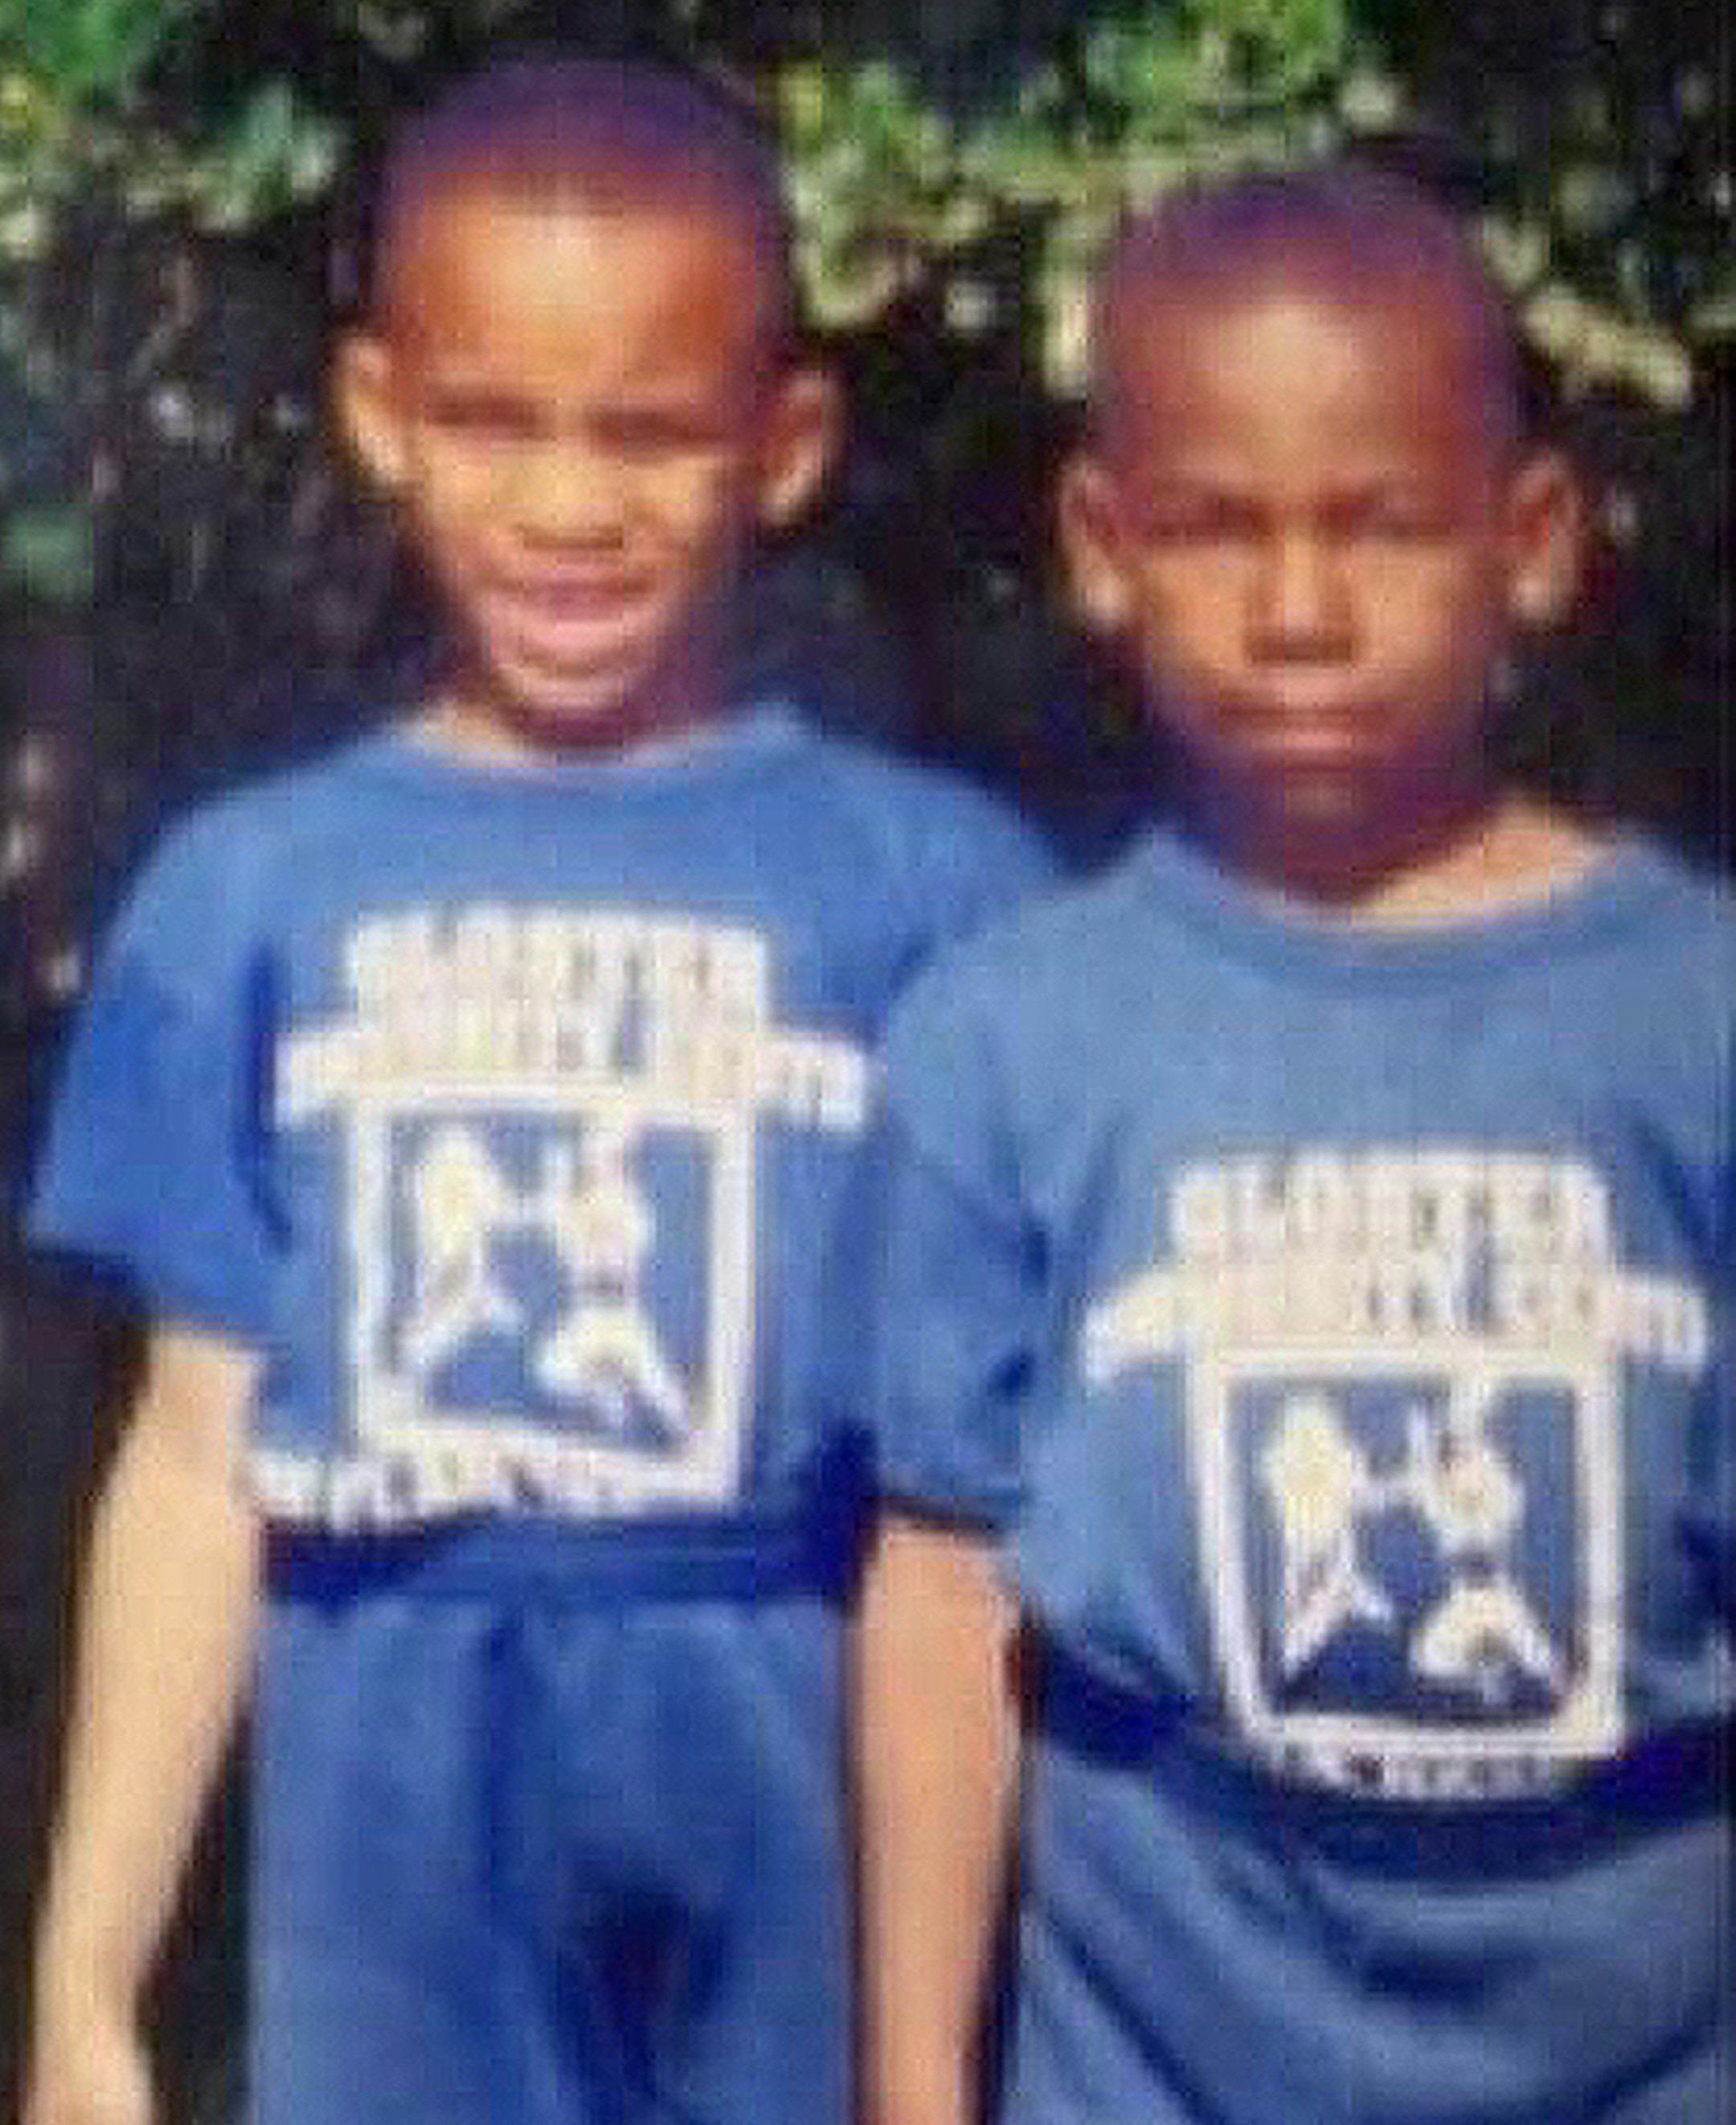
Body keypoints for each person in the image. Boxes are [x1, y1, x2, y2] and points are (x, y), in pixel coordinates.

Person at [23, 55, 1052, 2125]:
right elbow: (198, 1453)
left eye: (651, 435)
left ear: (784, 446)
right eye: (490, 421)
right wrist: (83, 1974)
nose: (567, 507)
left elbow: (990, 1522)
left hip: (792, 1733)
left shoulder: (942, 896)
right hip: (392, 1766)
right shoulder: (252, 888)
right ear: (380, 412)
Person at [858, 163, 1733, 2125]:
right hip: (1166, 2050)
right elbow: (940, 1590)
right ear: (1100, 548)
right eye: (1218, 532)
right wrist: (915, 2077)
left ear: (1533, 541)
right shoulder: (1012, 1033)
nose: (1304, 611)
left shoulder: (1694, 1016)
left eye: (1384, 529)